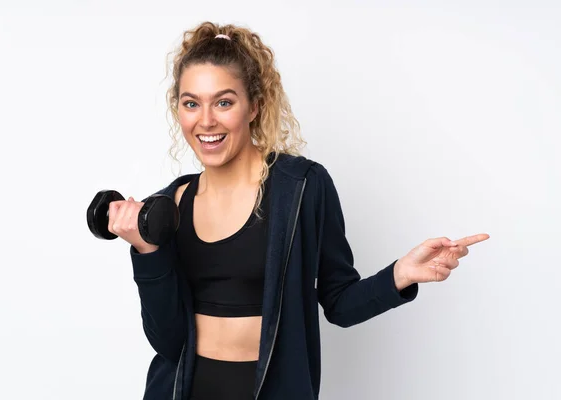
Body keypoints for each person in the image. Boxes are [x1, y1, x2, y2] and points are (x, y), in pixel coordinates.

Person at [106, 21, 490, 400]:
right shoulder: (168, 205)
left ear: (254, 105)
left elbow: (340, 303)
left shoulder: (301, 187)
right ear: (179, 110)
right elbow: (168, 341)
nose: (206, 120)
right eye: (192, 103)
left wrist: (399, 275)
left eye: (224, 102)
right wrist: (147, 251)